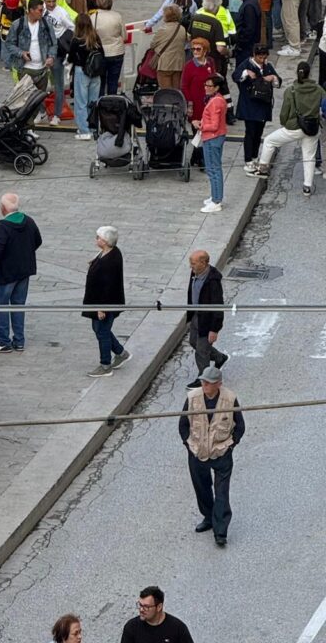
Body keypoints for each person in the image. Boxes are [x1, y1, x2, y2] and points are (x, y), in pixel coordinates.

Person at [179, 364, 245, 547]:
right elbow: (183, 424)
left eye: (208, 383)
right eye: (203, 382)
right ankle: (208, 517)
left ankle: (221, 531)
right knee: (202, 488)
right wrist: (188, 444)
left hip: (221, 453)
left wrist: (230, 446)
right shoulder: (192, 398)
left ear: (219, 384)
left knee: (222, 492)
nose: (204, 385)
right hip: (197, 452)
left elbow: (240, 426)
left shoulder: (230, 399)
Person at [255, 60, 326, 196]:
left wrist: (285, 123)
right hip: (312, 128)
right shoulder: (318, 90)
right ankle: (307, 186)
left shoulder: (291, 90)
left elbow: (284, 113)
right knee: (309, 156)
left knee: (270, 141)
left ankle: (263, 167)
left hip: (294, 127)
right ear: (309, 73)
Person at [0, 193, 42, 353]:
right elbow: (38, 240)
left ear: (3, 208)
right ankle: (19, 340)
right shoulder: (28, 221)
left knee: (2, 305)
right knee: (19, 304)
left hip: (7, 271)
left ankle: (3, 340)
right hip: (24, 269)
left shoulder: (3, 226)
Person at [82, 226, 129, 377]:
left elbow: (107, 286)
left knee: (102, 331)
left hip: (104, 303)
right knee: (101, 330)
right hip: (100, 301)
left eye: (99, 238)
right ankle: (121, 353)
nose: (96, 239)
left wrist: (102, 308)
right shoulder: (112, 252)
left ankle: (105, 365)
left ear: (106, 241)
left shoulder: (109, 262)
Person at [232, 44, 281, 174]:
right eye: (260, 56)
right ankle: (248, 160)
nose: (262, 59)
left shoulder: (268, 67)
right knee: (250, 133)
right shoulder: (246, 65)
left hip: (263, 105)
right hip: (249, 105)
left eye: (264, 56)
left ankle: (255, 156)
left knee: (259, 133)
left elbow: (278, 82)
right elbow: (235, 76)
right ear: (254, 55)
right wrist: (246, 73)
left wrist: (273, 78)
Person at [185, 250, 227, 387]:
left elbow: (217, 306)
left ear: (203, 263)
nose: (191, 267)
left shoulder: (213, 282)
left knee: (201, 351)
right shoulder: (195, 273)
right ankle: (219, 357)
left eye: (193, 263)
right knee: (193, 342)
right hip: (197, 315)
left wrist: (214, 329)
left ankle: (204, 377)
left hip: (207, 321)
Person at [3, 0, 58, 93]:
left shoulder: (46, 24)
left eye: (43, 10)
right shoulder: (17, 25)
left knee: (40, 101)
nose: (42, 13)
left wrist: (51, 57)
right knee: (24, 101)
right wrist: (21, 53)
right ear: (31, 10)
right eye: (40, 10)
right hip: (24, 70)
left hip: (42, 71)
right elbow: (9, 44)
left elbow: (53, 44)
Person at [65, 13, 104, 140]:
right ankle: (93, 128)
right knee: (93, 102)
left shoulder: (76, 40)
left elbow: (71, 57)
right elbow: (102, 53)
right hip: (96, 73)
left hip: (82, 72)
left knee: (80, 102)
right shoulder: (95, 38)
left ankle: (84, 130)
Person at [192, 75, 227, 214]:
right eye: (205, 85)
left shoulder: (215, 102)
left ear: (217, 87)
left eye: (209, 86)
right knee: (214, 168)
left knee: (213, 169)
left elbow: (213, 125)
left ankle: (216, 201)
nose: (206, 88)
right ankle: (215, 196)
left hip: (212, 137)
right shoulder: (218, 99)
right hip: (216, 136)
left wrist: (200, 126)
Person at [42, 0, 75, 122]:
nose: (51, 4)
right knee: (40, 84)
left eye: (53, 1)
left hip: (57, 52)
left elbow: (71, 28)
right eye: (48, 1)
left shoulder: (61, 13)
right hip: (42, 50)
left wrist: (63, 42)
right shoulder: (41, 9)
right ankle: (41, 111)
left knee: (58, 84)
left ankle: (57, 114)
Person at [120, 586, 194, 642]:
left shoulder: (178, 629)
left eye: (146, 607)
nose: (141, 610)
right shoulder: (131, 628)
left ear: (159, 607)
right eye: (140, 605)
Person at [91, 0, 126, 95]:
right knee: (113, 81)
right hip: (117, 52)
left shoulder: (93, 18)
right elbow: (124, 36)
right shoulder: (117, 16)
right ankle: (112, 103)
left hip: (100, 54)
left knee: (100, 82)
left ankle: (100, 104)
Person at [149, 4, 187, 90]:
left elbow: (152, 45)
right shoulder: (182, 29)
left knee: (166, 91)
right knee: (176, 90)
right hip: (178, 63)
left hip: (165, 64)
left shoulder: (162, 29)